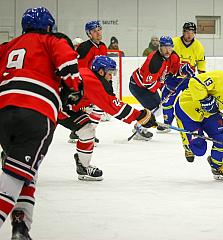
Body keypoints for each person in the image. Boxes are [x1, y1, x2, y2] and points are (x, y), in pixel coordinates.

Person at [0, 7, 82, 239]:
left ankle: (21, 225)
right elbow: (68, 68)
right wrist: (74, 89)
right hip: (35, 112)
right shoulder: (51, 40)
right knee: (15, 174)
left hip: (3, 112)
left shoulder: (8, 45)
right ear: (49, 27)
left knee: (25, 169)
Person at [58, 55, 157, 181]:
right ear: (101, 71)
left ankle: (83, 166)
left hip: (64, 106)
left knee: (87, 129)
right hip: (57, 107)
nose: (111, 77)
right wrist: (140, 116)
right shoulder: (93, 81)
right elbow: (114, 107)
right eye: (110, 73)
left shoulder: (89, 75)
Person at [129, 36, 180, 140]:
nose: (168, 50)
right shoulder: (154, 61)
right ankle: (139, 128)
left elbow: (173, 72)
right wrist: (163, 87)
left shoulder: (172, 56)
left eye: (170, 47)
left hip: (148, 84)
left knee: (157, 108)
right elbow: (148, 84)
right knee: (155, 108)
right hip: (138, 86)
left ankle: (141, 124)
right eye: (165, 47)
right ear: (160, 47)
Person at [161, 22, 206, 129]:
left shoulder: (198, 46)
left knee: (190, 102)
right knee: (167, 101)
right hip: (173, 78)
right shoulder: (174, 42)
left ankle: (191, 123)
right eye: (187, 32)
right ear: (183, 32)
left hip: (189, 80)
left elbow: (201, 63)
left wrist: (202, 80)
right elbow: (166, 58)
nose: (189, 35)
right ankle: (167, 123)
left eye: (192, 32)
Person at [68, 20, 107, 143]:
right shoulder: (84, 47)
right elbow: (79, 68)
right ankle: (82, 132)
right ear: (89, 34)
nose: (98, 33)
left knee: (99, 107)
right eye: (94, 31)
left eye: (99, 30)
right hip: (86, 83)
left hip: (96, 83)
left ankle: (83, 132)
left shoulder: (103, 46)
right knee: (87, 109)